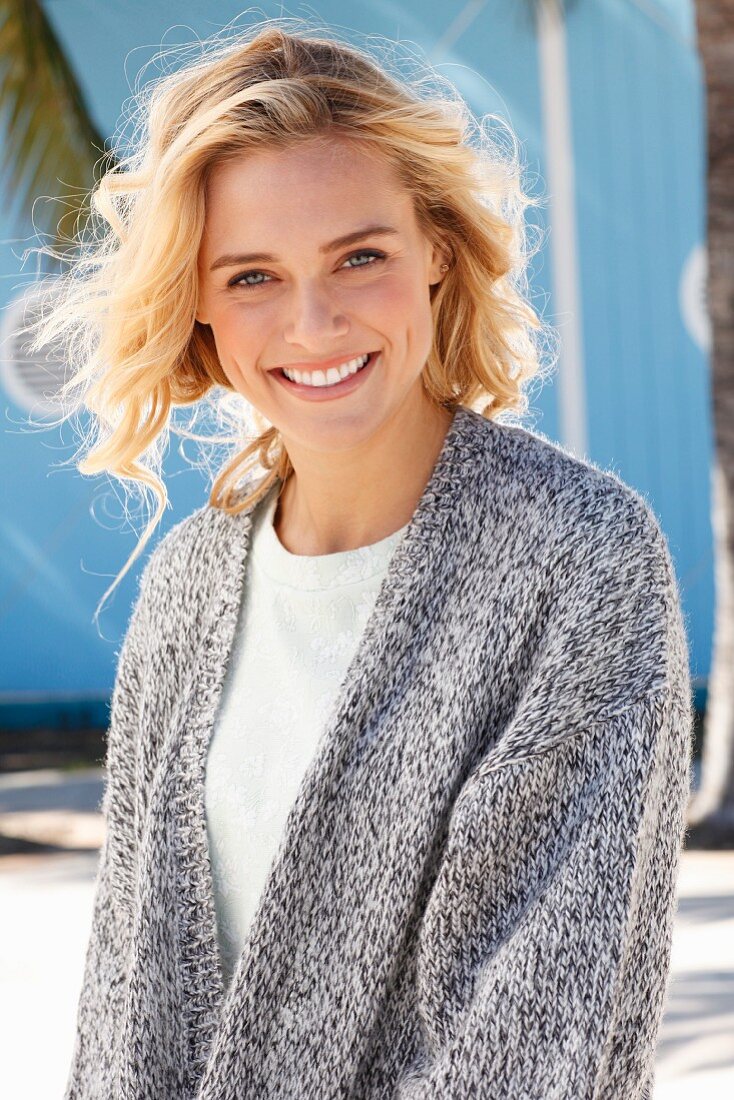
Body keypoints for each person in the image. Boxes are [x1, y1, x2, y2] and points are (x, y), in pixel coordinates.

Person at [35, 20, 692, 1100]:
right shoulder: (188, 587)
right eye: (251, 275)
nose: (312, 320)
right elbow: (123, 1007)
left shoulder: (578, 563)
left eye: (359, 255)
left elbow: (530, 1037)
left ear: (434, 248)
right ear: (196, 300)